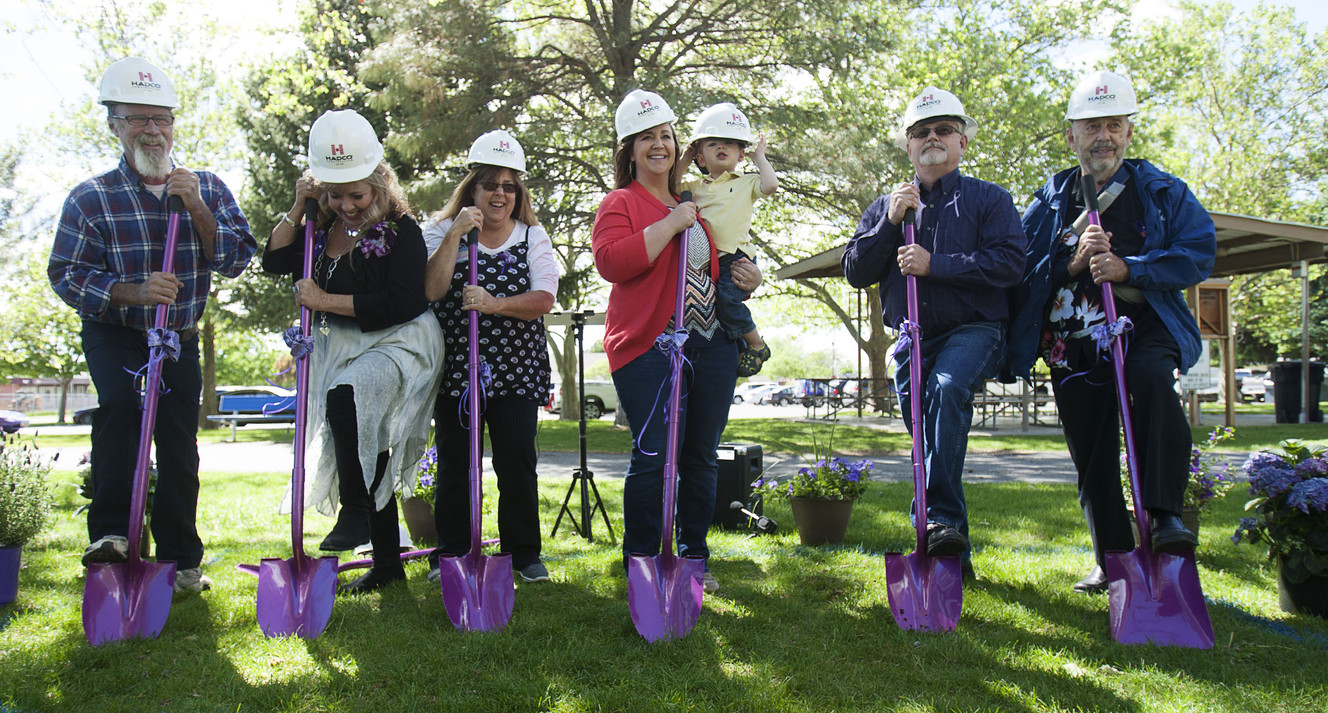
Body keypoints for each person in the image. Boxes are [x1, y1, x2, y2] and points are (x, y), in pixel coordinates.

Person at [49, 57, 257, 594]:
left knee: (178, 442)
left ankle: (181, 558)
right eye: (138, 118)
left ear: (173, 125)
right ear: (114, 125)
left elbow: (236, 258)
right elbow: (67, 274)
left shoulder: (205, 186)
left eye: (161, 119)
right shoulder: (91, 197)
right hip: (116, 331)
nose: (152, 129)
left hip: (180, 337)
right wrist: (133, 291)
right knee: (119, 407)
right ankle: (112, 535)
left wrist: (196, 210)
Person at [1002, 70, 1215, 594]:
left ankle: (1166, 518)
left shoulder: (1164, 191)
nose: (1103, 136)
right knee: (1092, 448)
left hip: (1147, 324)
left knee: (1150, 383)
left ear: (1129, 132)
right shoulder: (1050, 199)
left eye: (1114, 125)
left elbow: (1198, 253)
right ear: (1071, 135)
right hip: (1072, 337)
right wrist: (1071, 265)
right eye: (1091, 126)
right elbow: (1017, 272)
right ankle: (1113, 555)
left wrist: (1130, 268)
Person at [841, 87, 1026, 574]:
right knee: (929, 441)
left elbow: (1010, 264)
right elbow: (856, 271)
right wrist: (889, 224)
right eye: (921, 132)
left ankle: (938, 520)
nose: (932, 138)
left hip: (975, 331)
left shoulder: (990, 199)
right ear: (907, 146)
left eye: (944, 129)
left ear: (963, 141)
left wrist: (935, 264)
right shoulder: (887, 205)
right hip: (910, 338)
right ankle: (950, 551)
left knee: (946, 391)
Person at [262, 109, 443, 593]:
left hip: (402, 342)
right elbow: (274, 259)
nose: (346, 205)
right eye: (334, 195)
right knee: (372, 444)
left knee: (346, 394)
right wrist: (299, 208)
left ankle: (357, 509)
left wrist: (323, 301)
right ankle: (387, 565)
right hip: (344, 347)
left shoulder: (402, 230)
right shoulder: (319, 227)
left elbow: (403, 301)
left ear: (380, 183)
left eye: (356, 195)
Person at [591, 89, 763, 594]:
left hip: (710, 346)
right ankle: (642, 562)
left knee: (701, 457)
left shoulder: (696, 201)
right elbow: (612, 264)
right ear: (630, 151)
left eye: (665, 135)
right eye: (647, 137)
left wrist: (749, 278)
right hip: (648, 345)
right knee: (651, 454)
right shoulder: (621, 202)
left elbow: (717, 270)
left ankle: (693, 558)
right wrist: (669, 223)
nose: (659, 144)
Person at [422, 130, 558, 584]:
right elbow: (431, 289)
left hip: (516, 368)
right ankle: (453, 552)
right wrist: (457, 234)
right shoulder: (441, 231)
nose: (500, 194)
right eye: (490, 185)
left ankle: (523, 553)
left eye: (509, 186)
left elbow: (543, 299)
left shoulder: (532, 236)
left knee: (516, 460)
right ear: (472, 188)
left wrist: (494, 303)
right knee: (456, 463)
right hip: (458, 366)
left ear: (518, 194)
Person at [678, 102, 779, 376]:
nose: (721, 147)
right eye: (712, 144)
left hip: (735, 255)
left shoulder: (746, 182)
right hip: (707, 260)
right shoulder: (695, 188)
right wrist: (685, 157)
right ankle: (741, 344)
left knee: (727, 301)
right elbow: (668, 185)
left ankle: (756, 344)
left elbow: (771, 185)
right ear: (700, 157)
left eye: (729, 144)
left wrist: (760, 158)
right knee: (716, 304)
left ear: (740, 154)